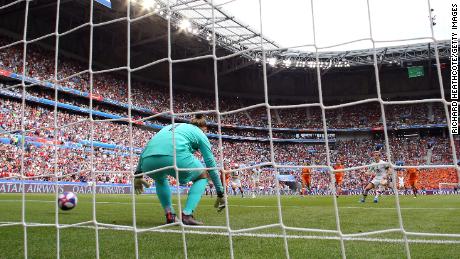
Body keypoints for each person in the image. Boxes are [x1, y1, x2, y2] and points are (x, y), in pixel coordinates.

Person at [134, 115, 225, 225]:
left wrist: (138, 174)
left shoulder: (171, 126)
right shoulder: (200, 133)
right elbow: (211, 165)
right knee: (203, 175)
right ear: (204, 129)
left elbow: (148, 147)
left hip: (148, 160)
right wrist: (220, 193)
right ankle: (187, 215)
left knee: (160, 179)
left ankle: (170, 215)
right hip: (175, 156)